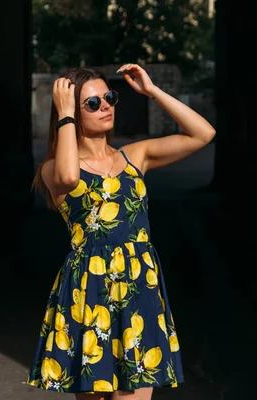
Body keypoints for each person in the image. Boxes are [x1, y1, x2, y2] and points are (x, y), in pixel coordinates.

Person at [25, 64, 215, 400]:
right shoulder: (53, 168)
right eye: (93, 103)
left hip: (140, 289)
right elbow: (70, 178)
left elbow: (203, 134)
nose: (106, 106)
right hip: (89, 292)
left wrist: (153, 92)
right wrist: (65, 114)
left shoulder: (135, 156)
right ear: (70, 112)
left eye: (109, 97)